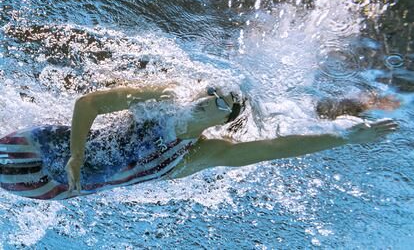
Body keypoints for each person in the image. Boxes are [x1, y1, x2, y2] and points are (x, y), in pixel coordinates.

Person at [0, 84, 398, 200]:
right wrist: (76, 153)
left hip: (48, 188)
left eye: (220, 104)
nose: (208, 100)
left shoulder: (199, 155)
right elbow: (90, 104)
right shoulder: (163, 99)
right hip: (38, 149)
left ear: (223, 122)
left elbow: (276, 148)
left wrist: (343, 137)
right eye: (210, 92)